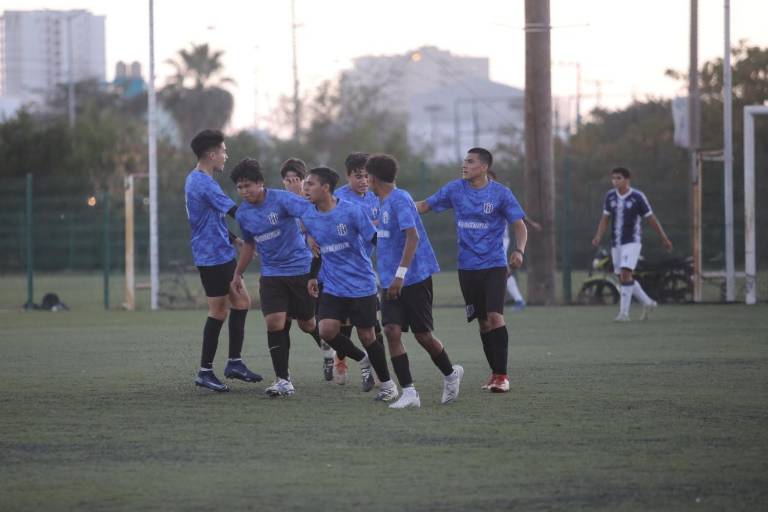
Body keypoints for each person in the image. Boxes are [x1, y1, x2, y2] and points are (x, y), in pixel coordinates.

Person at [417, 147, 527, 394]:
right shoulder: (455, 189)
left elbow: (519, 225)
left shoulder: (501, 193)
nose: (464, 165)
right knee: (483, 323)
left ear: (484, 167)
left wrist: (519, 251)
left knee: (495, 316)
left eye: (470, 161)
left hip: (494, 265)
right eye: (464, 161)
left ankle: (502, 376)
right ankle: (494, 372)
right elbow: (425, 205)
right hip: (467, 267)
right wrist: (396, 206)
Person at [366, 154, 464, 409]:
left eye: (367, 176)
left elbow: (413, 237)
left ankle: (451, 373)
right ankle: (409, 392)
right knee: (391, 331)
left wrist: (400, 275)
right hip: (388, 280)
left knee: (423, 336)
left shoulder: (401, 199)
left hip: (413, 277)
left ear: (373, 178)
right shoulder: (380, 202)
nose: (365, 181)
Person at [229, 158, 327, 397]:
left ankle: (327, 347)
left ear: (260, 183)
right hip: (272, 274)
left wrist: (313, 236)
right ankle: (283, 380)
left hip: (300, 269)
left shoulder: (282, 199)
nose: (244, 191)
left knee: (307, 323)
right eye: (240, 187)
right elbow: (250, 244)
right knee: (275, 322)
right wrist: (237, 273)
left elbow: (311, 212)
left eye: (248, 186)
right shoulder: (243, 214)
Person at [301, 166, 398, 401]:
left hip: (360, 283)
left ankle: (387, 385)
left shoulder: (352, 212)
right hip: (333, 285)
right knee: (326, 330)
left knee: (367, 335)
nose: (306, 189)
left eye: (310, 184)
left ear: (326, 188)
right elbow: (319, 251)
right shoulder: (308, 216)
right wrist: (312, 276)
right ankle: (361, 359)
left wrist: (396, 265)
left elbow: (375, 238)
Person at [184, 129, 262, 392]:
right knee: (219, 310)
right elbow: (234, 211)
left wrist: (235, 240)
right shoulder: (203, 183)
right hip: (211, 257)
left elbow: (209, 219)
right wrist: (265, 226)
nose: (226, 156)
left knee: (241, 302)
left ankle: (234, 363)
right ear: (211, 154)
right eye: (224, 151)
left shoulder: (198, 180)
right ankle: (205, 371)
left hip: (220, 251)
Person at [279, 157, 336, 381]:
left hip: (307, 269)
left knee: (307, 323)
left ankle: (327, 349)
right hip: (281, 270)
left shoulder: (311, 202)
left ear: (305, 181)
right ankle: (283, 373)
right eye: (287, 179)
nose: (291, 183)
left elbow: (313, 226)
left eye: (297, 179)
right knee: (280, 320)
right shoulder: (278, 201)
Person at [591, 166, 673, 322]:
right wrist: (598, 236)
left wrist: (664, 237)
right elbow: (605, 219)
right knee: (623, 277)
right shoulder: (610, 197)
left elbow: (651, 218)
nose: (615, 181)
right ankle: (648, 302)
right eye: (613, 178)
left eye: (619, 178)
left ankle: (624, 314)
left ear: (627, 180)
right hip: (616, 243)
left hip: (632, 242)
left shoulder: (637, 196)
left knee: (625, 273)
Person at [331, 152, 384, 385]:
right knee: (343, 325)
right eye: (358, 176)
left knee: (372, 325)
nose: (363, 181)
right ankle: (340, 358)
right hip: (339, 269)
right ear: (348, 176)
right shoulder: (338, 198)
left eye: (366, 176)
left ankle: (375, 371)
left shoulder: (375, 198)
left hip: (364, 269)